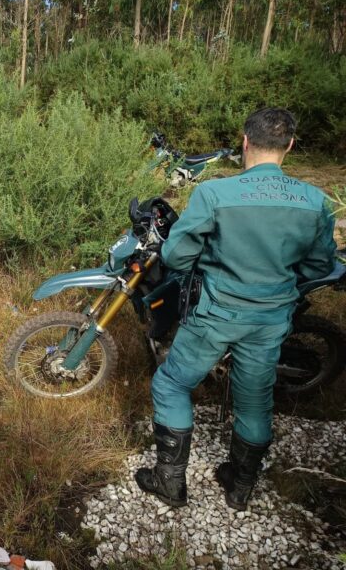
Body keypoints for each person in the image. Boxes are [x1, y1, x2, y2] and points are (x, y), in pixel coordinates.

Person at [134, 107, 337, 511]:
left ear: (245, 141)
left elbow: (175, 254)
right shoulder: (316, 201)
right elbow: (319, 265)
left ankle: (170, 483)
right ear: (290, 146)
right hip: (270, 320)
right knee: (255, 400)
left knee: (172, 384)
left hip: (216, 315)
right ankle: (239, 487)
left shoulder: (215, 193)